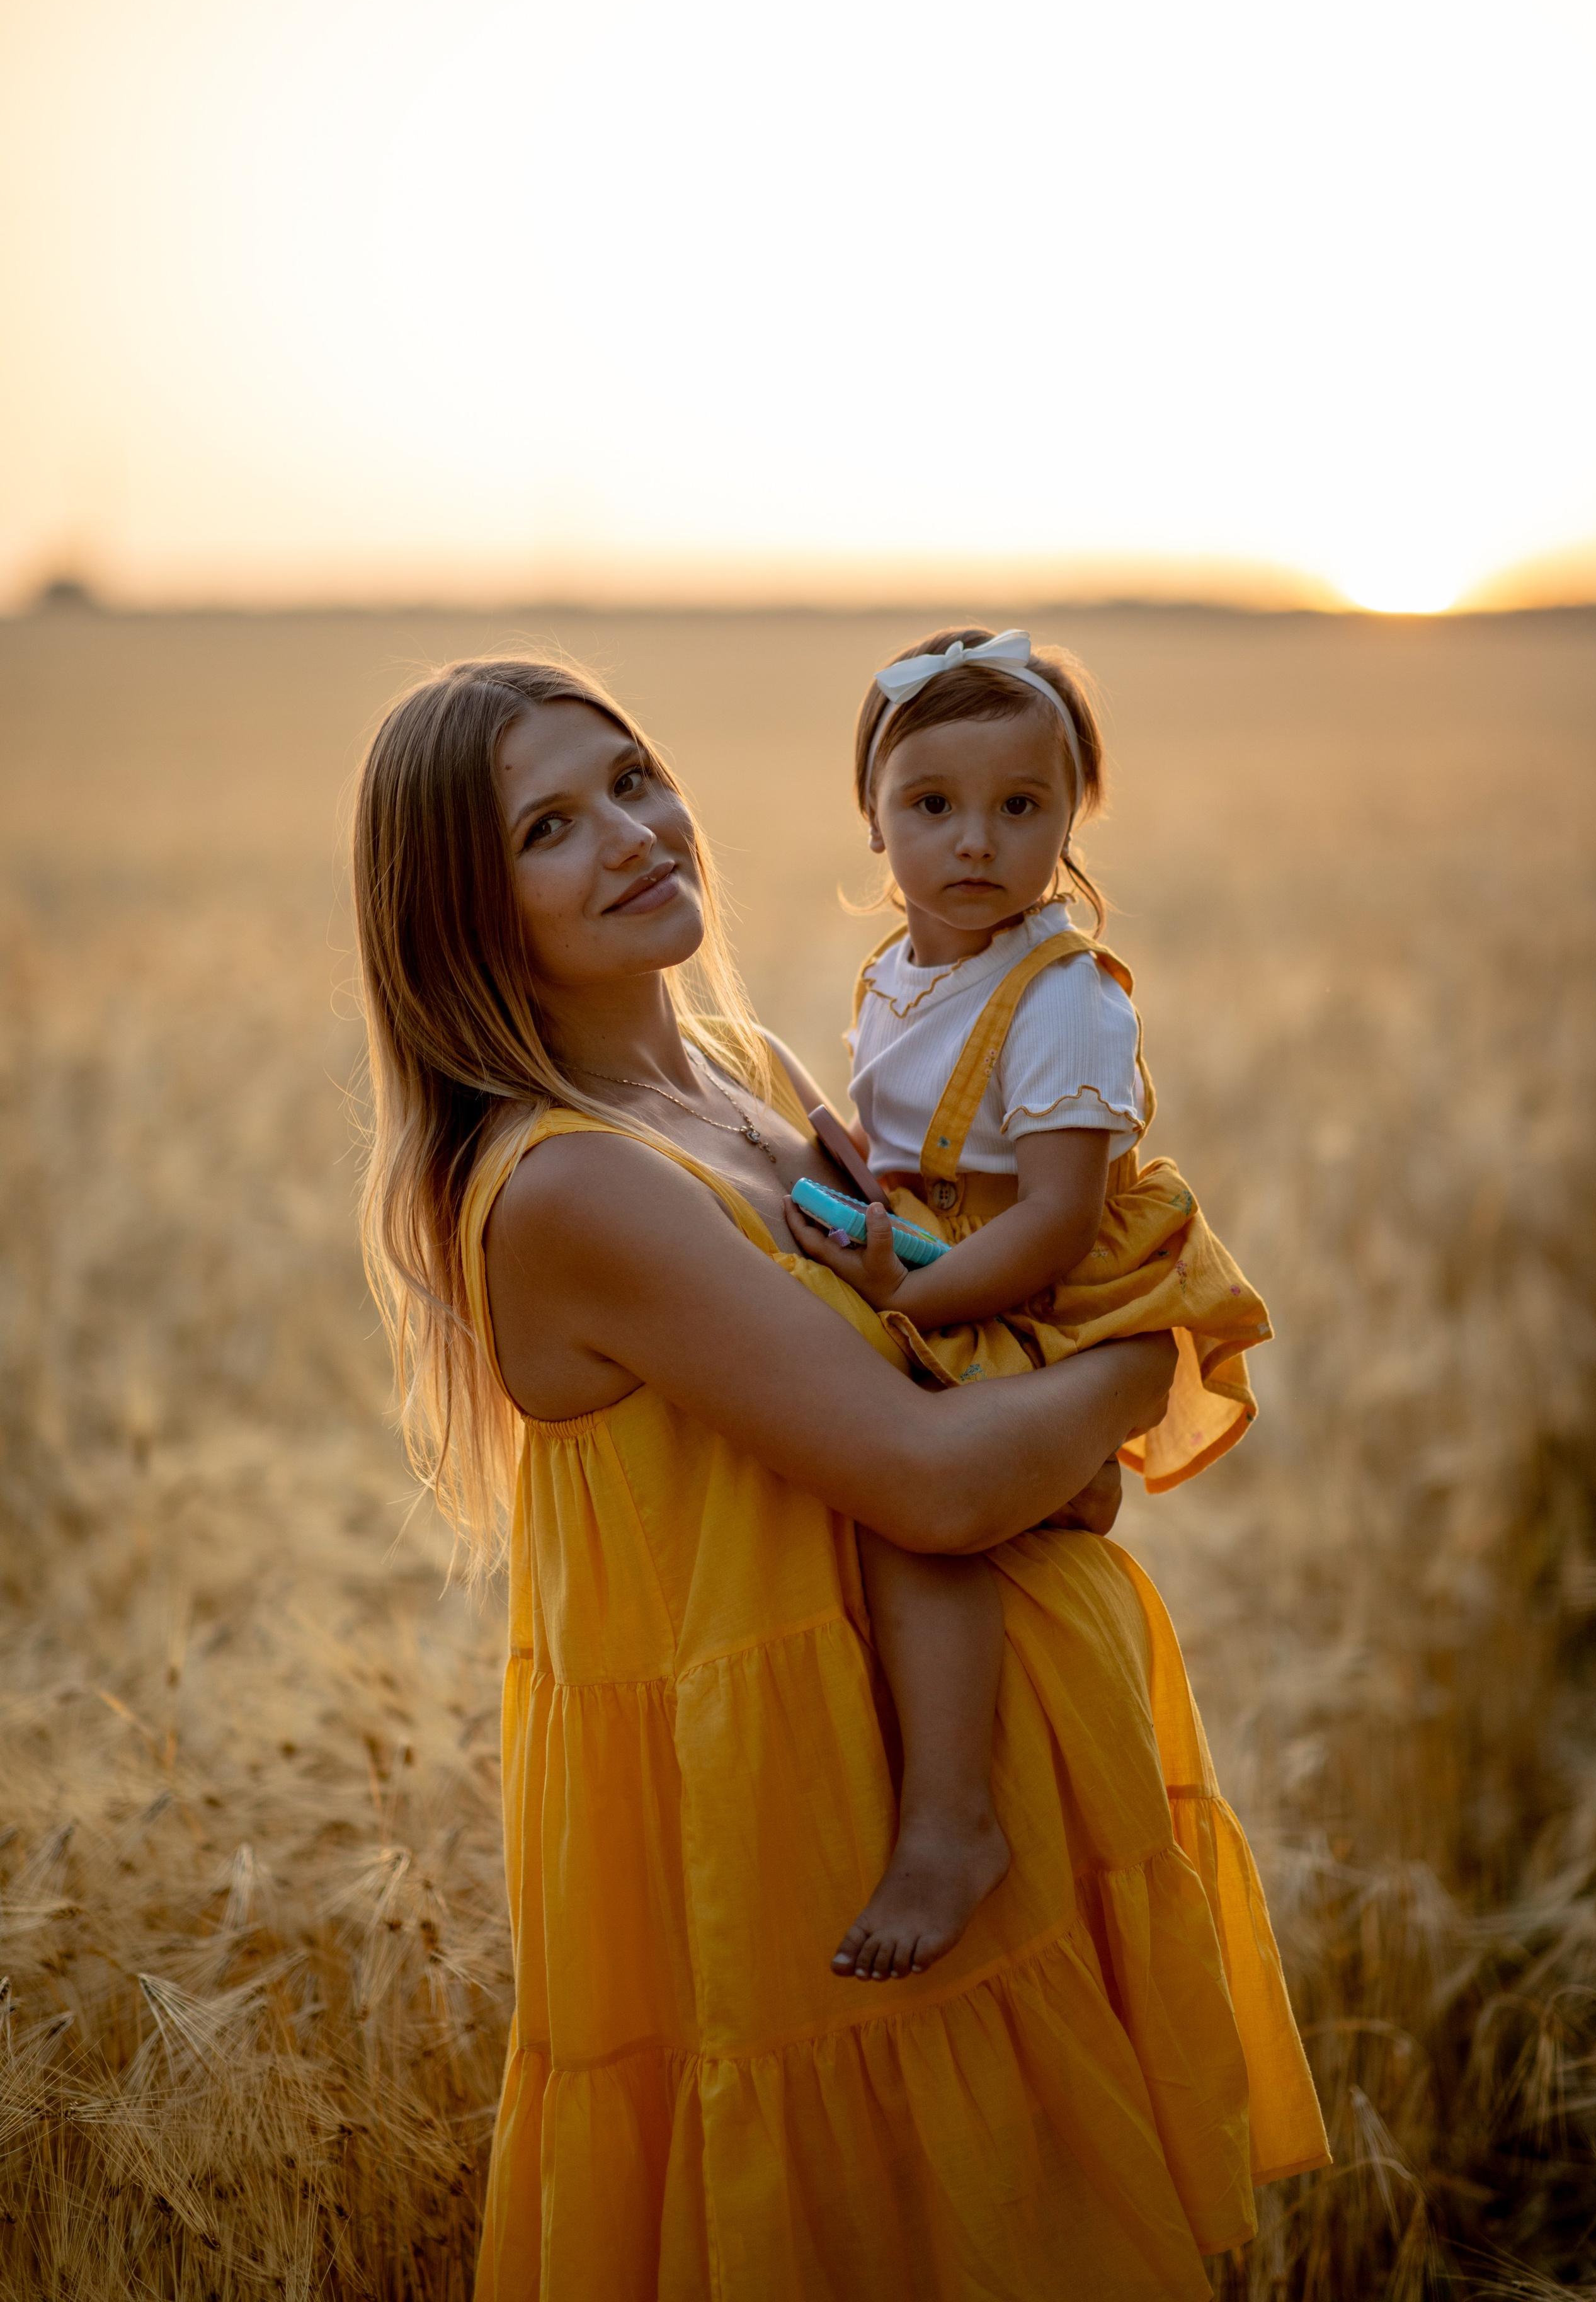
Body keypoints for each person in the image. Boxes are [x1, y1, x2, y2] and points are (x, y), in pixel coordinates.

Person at [352, 652, 1328, 2302]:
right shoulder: (575, 1184)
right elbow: (942, 1482)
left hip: (935, 1787)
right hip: (794, 1832)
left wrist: (1050, 1409)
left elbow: (948, 1368)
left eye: (633, 779)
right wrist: (1145, 1350)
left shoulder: (743, 1075)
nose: (634, 835)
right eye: (549, 827)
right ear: (463, 910)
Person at [789, 627, 1274, 1985]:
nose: (974, 841)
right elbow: (915, 1139)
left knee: (909, 1498)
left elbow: (1058, 1220)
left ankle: (951, 1823)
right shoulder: (900, 967)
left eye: (1022, 807)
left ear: (1071, 821)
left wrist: (919, 1293)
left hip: (1041, 1288)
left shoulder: (1062, 1003)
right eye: (929, 805)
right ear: (872, 820)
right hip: (948, 1251)